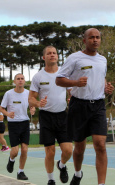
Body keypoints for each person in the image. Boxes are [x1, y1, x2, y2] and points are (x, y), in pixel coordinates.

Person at [56, 28, 114, 185]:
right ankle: (77, 173)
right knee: (80, 148)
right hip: (79, 105)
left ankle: (101, 183)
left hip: (98, 105)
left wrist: (106, 89)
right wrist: (75, 83)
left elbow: (100, 79)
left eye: (97, 37)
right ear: (84, 41)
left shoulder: (103, 60)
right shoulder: (75, 58)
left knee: (100, 145)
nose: (95, 40)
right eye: (91, 38)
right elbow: (59, 80)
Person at [29, 46, 73, 185]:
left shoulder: (64, 73)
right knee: (50, 151)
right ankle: (51, 180)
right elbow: (31, 99)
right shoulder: (38, 77)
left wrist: (72, 98)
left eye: (54, 53)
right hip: (46, 117)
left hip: (62, 116)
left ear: (57, 56)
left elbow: (72, 91)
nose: (52, 55)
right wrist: (38, 103)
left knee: (68, 150)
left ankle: (61, 164)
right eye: (49, 53)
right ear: (44, 57)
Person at [1, 73, 35, 181]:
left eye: (22, 79)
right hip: (13, 124)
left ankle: (20, 172)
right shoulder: (8, 94)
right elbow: (1, 109)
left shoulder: (28, 93)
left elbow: (32, 105)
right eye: (18, 79)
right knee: (15, 151)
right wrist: (7, 114)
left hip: (25, 123)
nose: (20, 80)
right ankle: (11, 160)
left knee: (24, 149)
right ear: (14, 81)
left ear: (24, 81)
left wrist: (32, 109)